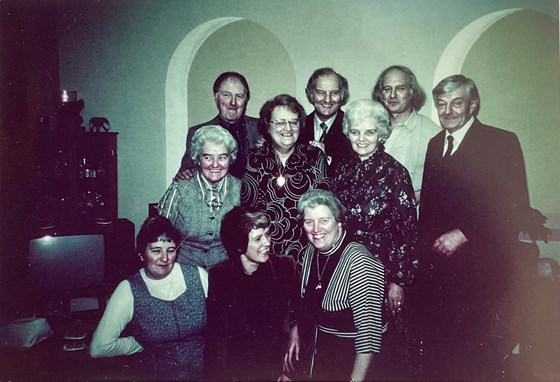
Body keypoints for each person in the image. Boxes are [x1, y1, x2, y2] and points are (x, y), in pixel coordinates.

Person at [416, 74, 535, 380]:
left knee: (474, 358)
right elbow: (429, 207)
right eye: (441, 104)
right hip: (438, 270)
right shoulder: (434, 144)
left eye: (457, 103)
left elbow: (514, 205)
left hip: (479, 270)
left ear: (473, 105)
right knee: (438, 352)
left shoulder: (501, 141)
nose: (448, 111)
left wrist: (464, 233)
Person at [331, 99, 418, 377]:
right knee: (349, 346)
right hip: (345, 271)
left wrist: (398, 282)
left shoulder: (396, 174)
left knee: (379, 353)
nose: (362, 138)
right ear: (348, 132)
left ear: (381, 134)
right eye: (355, 131)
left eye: (369, 132)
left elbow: (407, 233)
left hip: (381, 276)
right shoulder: (342, 171)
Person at [89, 215, 208, 381]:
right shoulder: (129, 289)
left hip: (208, 372)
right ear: (141, 254)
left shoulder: (199, 276)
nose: (165, 258)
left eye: (171, 250)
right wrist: (137, 343)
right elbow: (99, 347)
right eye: (156, 250)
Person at [283, 189, 385, 381]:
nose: (315, 229)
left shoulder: (359, 261)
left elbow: (369, 336)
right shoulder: (310, 253)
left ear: (338, 222)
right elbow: (306, 307)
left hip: (356, 364)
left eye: (323, 221)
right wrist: (295, 331)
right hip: (323, 360)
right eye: (309, 222)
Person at [205, 206, 299, 381]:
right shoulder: (220, 276)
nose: (267, 242)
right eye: (258, 239)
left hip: (278, 372)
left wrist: (295, 328)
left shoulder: (285, 267)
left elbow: (301, 314)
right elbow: (217, 341)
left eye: (268, 234)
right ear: (239, 245)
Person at [241, 94, 329, 264]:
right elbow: (248, 210)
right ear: (267, 126)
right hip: (266, 253)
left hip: (308, 251)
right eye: (280, 122)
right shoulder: (255, 158)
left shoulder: (314, 156)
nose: (288, 128)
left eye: (293, 122)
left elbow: (323, 206)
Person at [159, 125, 240, 269]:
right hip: (183, 269)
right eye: (208, 157)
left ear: (230, 159)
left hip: (224, 270)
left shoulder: (241, 190)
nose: (215, 165)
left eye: (222, 157)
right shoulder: (180, 188)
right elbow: (159, 232)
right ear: (198, 159)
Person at [372, 65, 440, 203]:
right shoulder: (370, 129)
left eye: (400, 88)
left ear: (411, 92)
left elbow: (443, 185)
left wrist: (415, 197)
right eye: (387, 89)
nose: (392, 95)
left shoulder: (433, 134)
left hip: (410, 219)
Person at [176, 71, 261, 180]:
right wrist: (185, 174)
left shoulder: (262, 128)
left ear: (246, 100)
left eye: (239, 96)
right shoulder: (197, 132)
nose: (233, 103)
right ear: (217, 98)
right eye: (227, 95)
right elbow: (186, 170)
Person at [301, 67, 354, 174]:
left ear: (342, 95)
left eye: (334, 93)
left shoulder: (353, 128)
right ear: (311, 94)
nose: (327, 100)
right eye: (321, 93)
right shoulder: (297, 127)